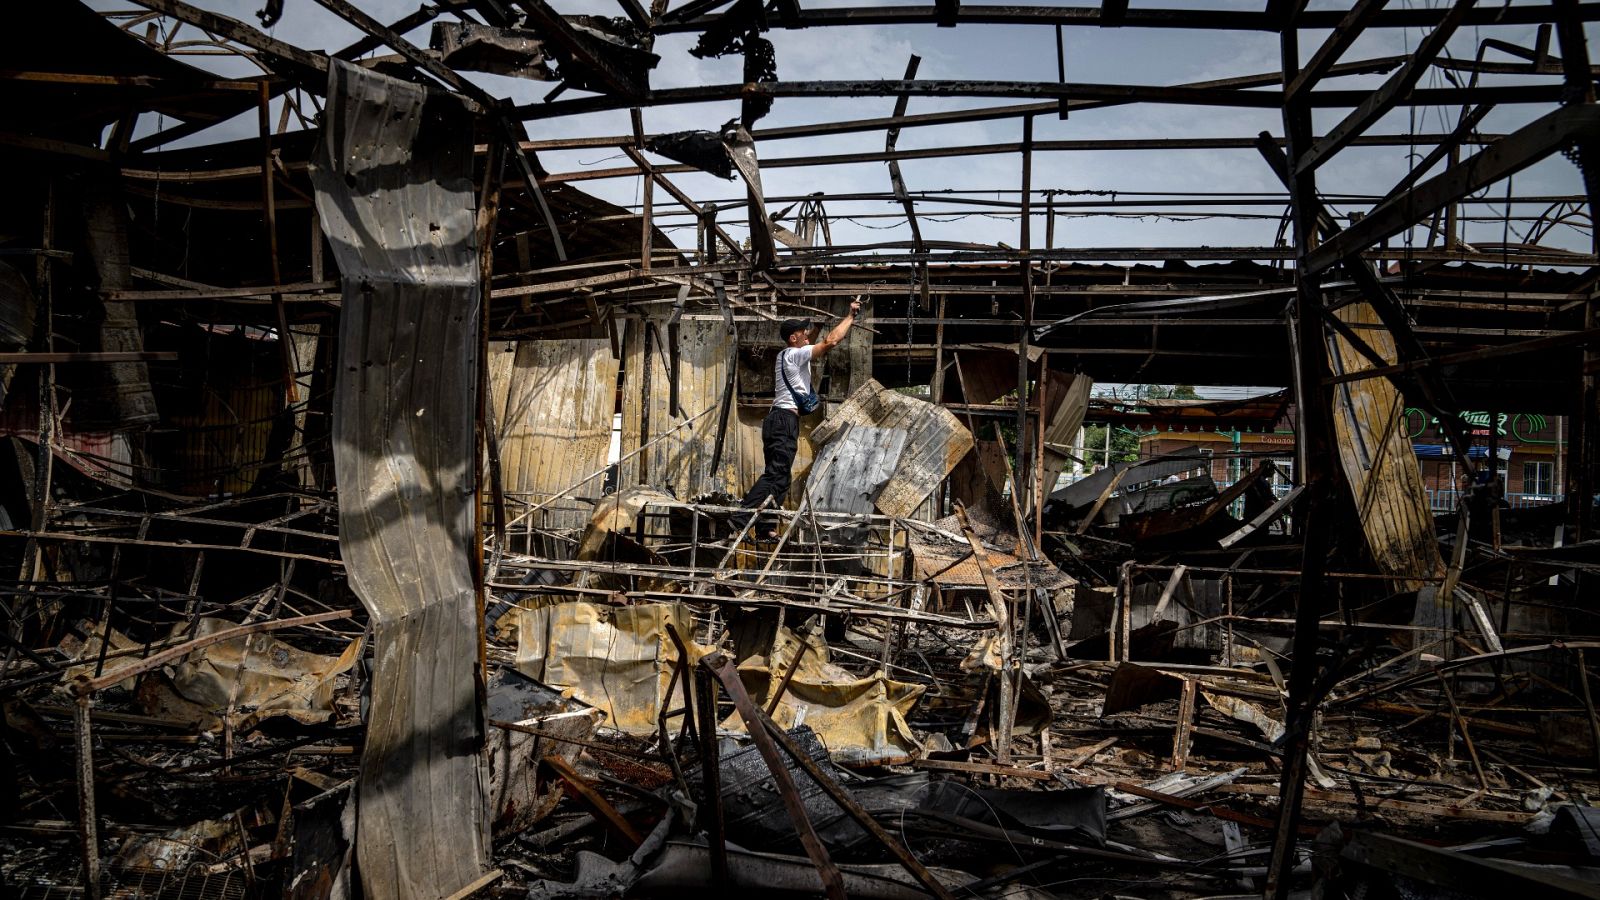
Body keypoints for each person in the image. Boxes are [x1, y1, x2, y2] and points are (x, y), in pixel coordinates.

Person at [735, 298, 862, 540]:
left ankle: (764, 527)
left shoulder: (789, 355)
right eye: (804, 333)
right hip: (783, 420)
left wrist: (818, 326)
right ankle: (740, 518)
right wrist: (850, 317)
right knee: (776, 474)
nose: (807, 336)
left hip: (781, 420)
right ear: (794, 338)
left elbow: (812, 340)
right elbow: (831, 341)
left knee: (781, 477)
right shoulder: (794, 354)